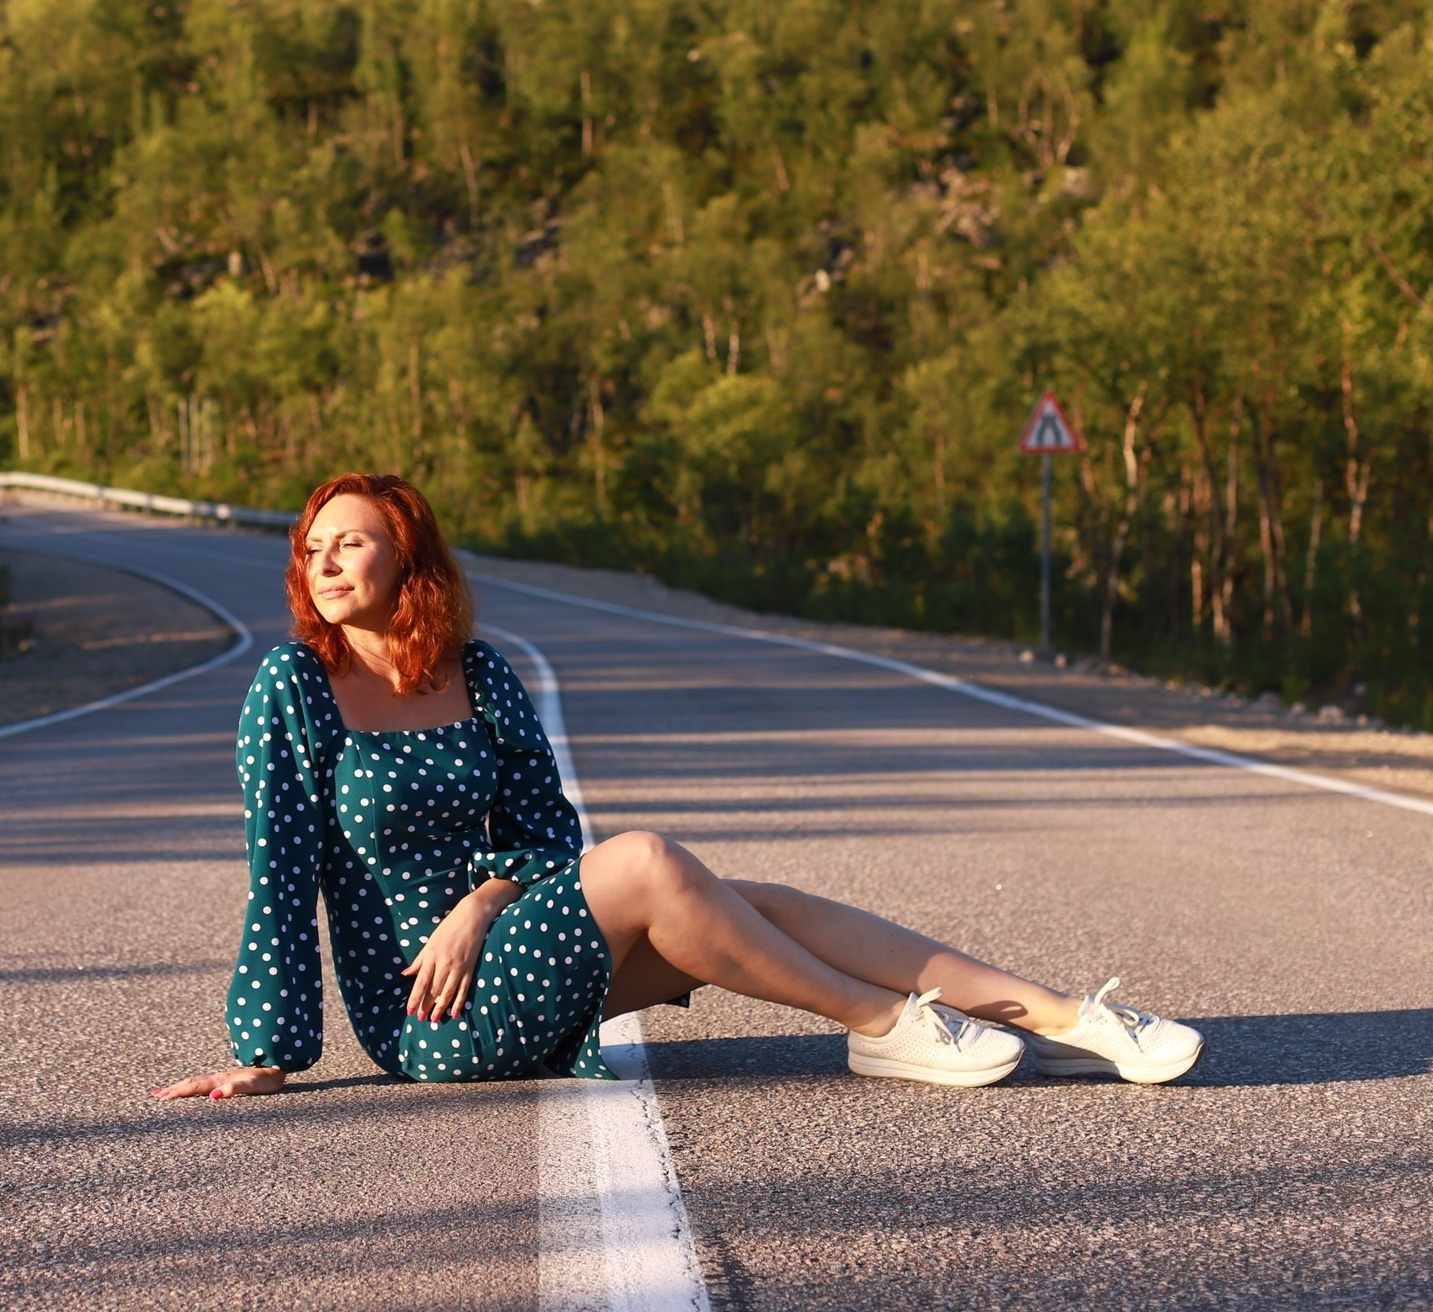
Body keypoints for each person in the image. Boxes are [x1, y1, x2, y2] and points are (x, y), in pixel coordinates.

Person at [154, 472, 1203, 1101]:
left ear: (407, 557)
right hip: (426, 1011)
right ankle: (883, 1022)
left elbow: (548, 837)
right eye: (314, 545)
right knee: (650, 859)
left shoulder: (478, 673)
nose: (327, 559)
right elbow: (279, 875)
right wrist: (270, 1054)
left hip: (513, 940)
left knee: (755, 904)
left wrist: (480, 901)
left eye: (354, 540)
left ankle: (1066, 1019)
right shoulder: (293, 685)